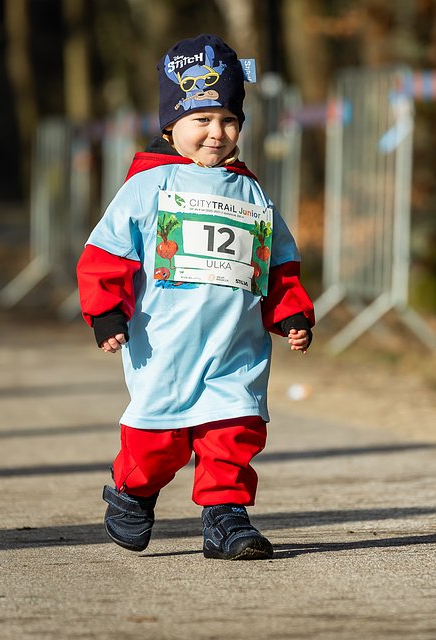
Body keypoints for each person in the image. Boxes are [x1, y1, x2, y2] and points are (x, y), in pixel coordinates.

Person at [76, 34, 315, 561]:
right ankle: (131, 490)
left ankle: (226, 519)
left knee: (233, 431)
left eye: (229, 120)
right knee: (158, 440)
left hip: (236, 344)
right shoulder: (147, 188)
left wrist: (291, 310)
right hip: (166, 343)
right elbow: (106, 254)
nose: (217, 133)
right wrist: (106, 311)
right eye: (201, 120)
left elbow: (277, 260)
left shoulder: (251, 192)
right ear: (170, 125)